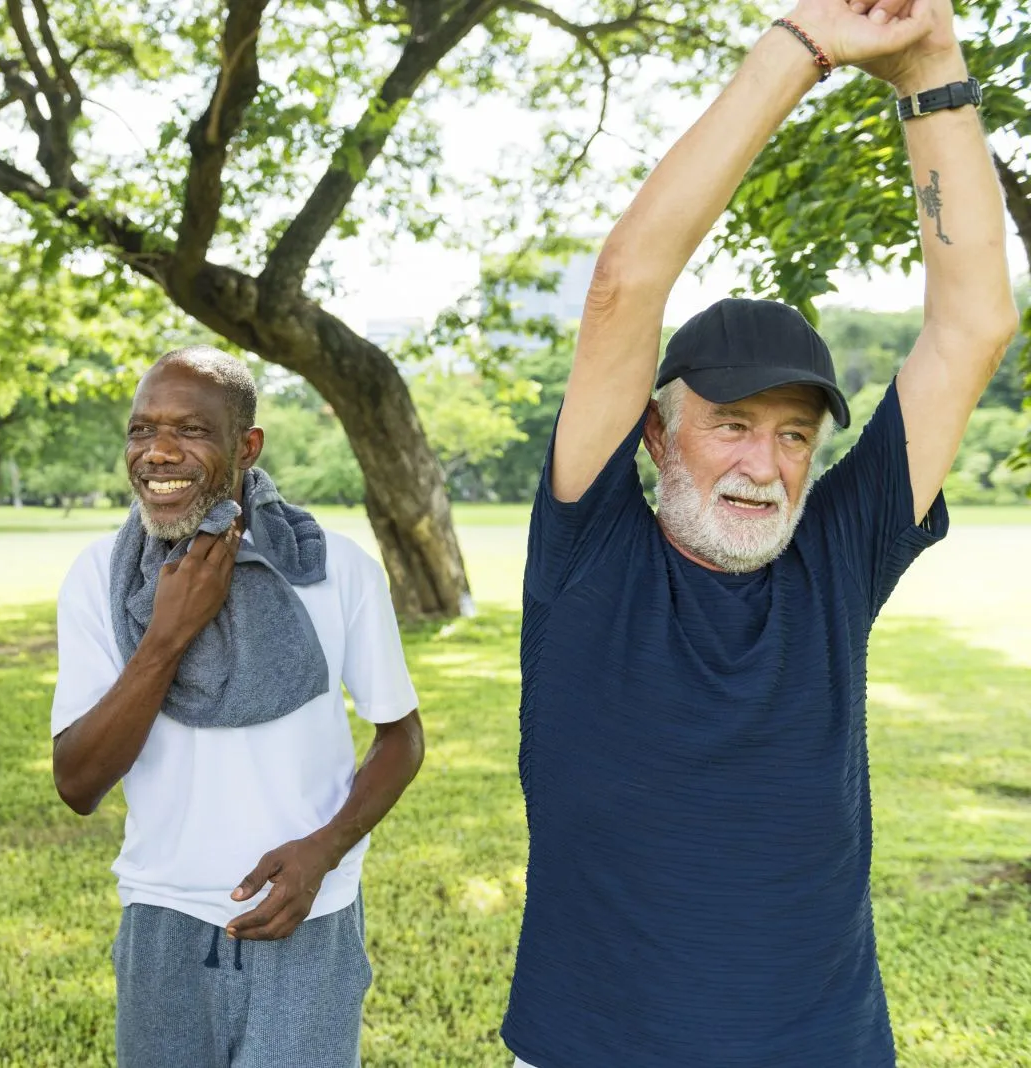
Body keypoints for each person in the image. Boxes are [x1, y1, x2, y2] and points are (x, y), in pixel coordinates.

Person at [501, 0, 1019, 1065]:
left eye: (792, 434)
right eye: (730, 424)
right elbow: (624, 283)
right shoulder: (588, 553)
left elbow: (972, 326)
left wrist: (933, 61)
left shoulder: (834, 560)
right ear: (654, 434)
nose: (762, 464)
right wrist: (802, 50)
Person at [50, 346, 425, 1067]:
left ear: (245, 446)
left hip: (311, 916)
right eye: (140, 430)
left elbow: (401, 739)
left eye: (190, 430)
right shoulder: (98, 577)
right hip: (164, 917)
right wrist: (166, 637)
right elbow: (78, 782)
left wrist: (324, 851)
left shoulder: (334, 570)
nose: (157, 453)